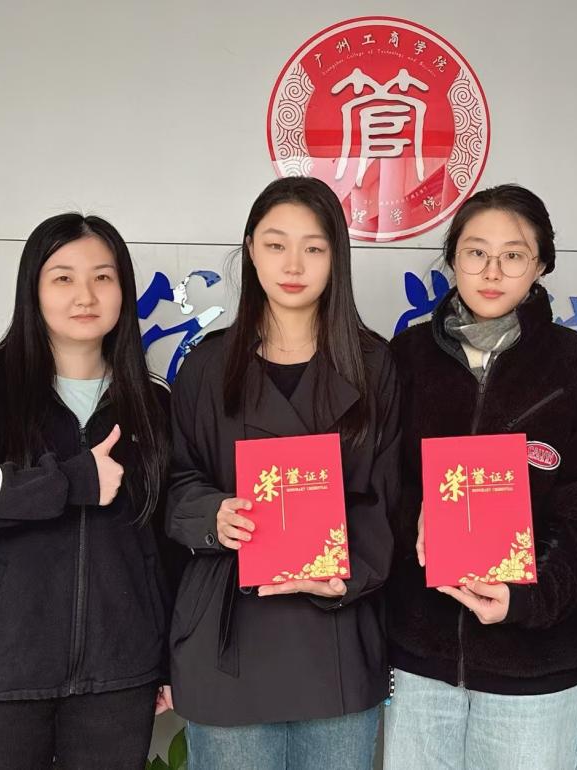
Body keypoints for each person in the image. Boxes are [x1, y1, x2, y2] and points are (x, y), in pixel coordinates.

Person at [383, 184, 577, 770]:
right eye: (476, 252)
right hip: (422, 659)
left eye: (514, 255)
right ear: (453, 259)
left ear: (541, 265)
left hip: (536, 663)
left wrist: (528, 598)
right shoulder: (406, 358)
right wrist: (415, 514)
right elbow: (377, 482)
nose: (492, 271)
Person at [0, 213, 180, 770]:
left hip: (118, 682)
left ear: (123, 290)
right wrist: (67, 482)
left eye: (103, 277)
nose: (84, 295)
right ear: (33, 289)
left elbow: (165, 545)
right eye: (63, 277)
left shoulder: (153, 403)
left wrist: (166, 661)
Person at [165, 176, 400, 770]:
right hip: (228, 643)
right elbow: (173, 481)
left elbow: (390, 498)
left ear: (336, 257)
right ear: (250, 250)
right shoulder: (207, 365)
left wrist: (346, 576)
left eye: (313, 247)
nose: (293, 265)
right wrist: (213, 515)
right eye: (275, 245)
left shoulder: (374, 366)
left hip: (336, 641)